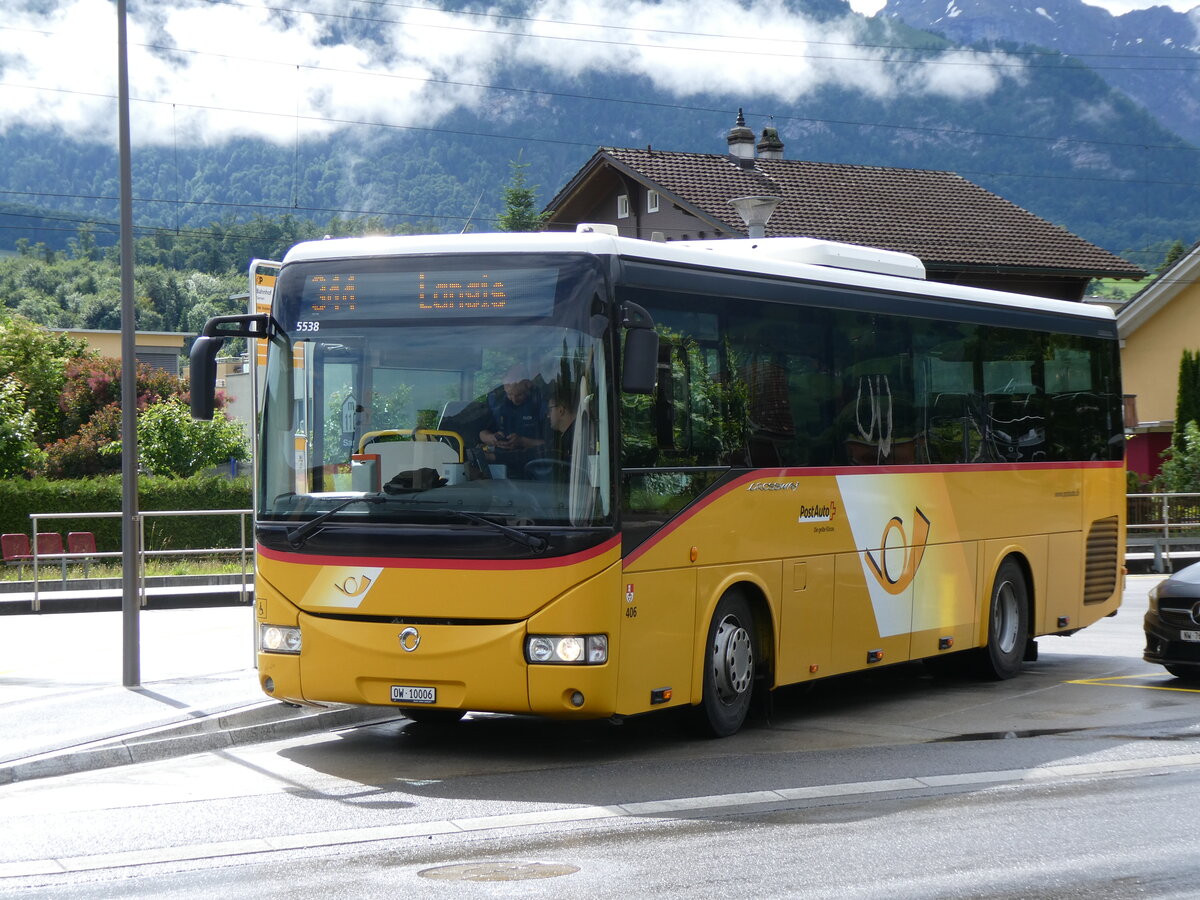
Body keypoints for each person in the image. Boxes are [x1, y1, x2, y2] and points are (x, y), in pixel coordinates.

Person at [479, 364, 547, 472]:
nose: (514, 399)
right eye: (509, 394)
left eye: (519, 395)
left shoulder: (540, 403)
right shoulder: (497, 401)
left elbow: (551, 445)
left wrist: (522, 442)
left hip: (535, 466)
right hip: (500, 466)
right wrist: (492, 438)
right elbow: (481, 433)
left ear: (528, 385)